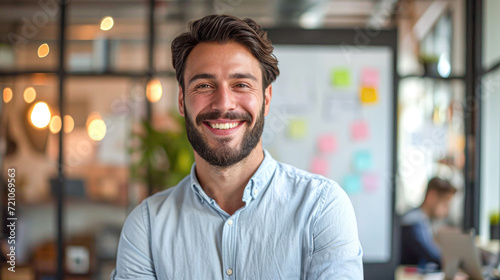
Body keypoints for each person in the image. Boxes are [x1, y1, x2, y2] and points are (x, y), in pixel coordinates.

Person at [111, 14, 363, 279]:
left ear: (266, 99)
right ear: (182, 101)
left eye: (241, 84)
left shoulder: (321, 208)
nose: (224, 104)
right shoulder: (147, 226)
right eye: (204, 85)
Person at [400, 177, 457, 268]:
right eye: (445, 204)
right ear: (432, 197)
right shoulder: (414, 221)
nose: (447, 210)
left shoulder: (425, 221)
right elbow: (431, 254)